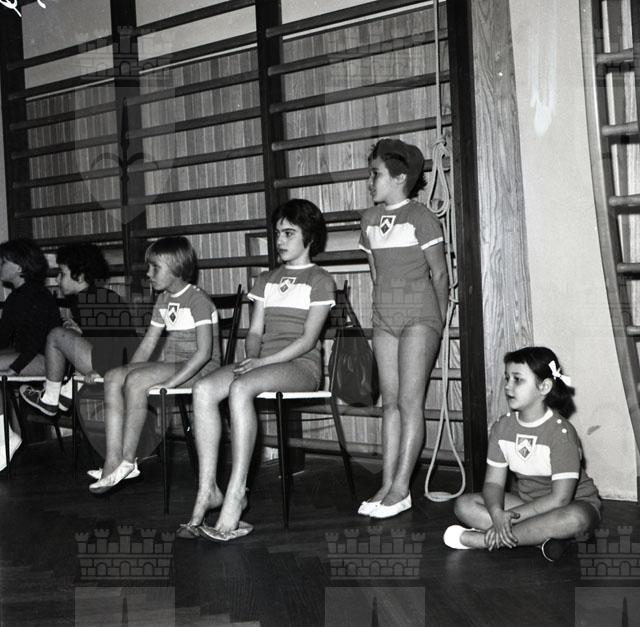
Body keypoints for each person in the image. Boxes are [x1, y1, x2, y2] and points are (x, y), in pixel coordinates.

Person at [179, 198, 335, 541]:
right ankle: (208, 490)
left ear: (309, 236)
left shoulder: (320, 279)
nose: (279, 240)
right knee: (202, 389)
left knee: (240, 388)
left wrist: (260, 364)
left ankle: (237, 494)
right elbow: (254, 332)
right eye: (277, 233)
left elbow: (308, 340)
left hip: (300, 366)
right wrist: (253, 357)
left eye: (288, 233)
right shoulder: (266, 279)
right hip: (262, 363)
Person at [357, 138, 448, 518]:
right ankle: (386, 483)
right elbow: (376, 274)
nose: (370, 181)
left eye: (375, 174)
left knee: (410, 403)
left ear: (399, 178)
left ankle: (401, 489)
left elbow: (440, 274)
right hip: (385, 318)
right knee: (390, 404)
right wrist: (384, 312)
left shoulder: (421, 217)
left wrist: (437, 322)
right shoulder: (368, 221)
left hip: (419, 318)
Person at [88, 236, 220, 493]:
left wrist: (170, 383)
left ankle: (128, 460)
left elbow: (204, 353)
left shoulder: (198, 300)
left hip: (201, 367)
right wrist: (123, 372)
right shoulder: (163, 300)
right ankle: (112, 459)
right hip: (175, 362)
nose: (148, 273)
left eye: (155, 268)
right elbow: (148, 345)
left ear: (177, 268)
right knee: (114, 376)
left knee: (136, 380)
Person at [443, 346, 601, 562]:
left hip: (570, 505)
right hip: (526, 502)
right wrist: (497, 513)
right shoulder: (502, 427)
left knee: (575, 519)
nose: (508, 386)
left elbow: (560, 499)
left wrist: (505, 520)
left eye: (517, 380)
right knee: (464, 505)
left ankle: (484, 540)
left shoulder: (561, 433)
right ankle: (539, 538)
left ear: (544, 386)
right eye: (507, 378)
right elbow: (493, 484)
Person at [20, 242, 131, 417]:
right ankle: (66, 394)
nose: (57, 279)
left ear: (79, 277)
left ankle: (50, 398)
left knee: (56, 335)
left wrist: (101, 369)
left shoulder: (88, 300)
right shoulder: (94, 296)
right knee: (68, 334)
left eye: (62, 273)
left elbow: (111, 339)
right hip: (120, 363)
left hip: (114, 365)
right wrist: (80, 332)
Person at [0, 238, 62, 470]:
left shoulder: (38, 295)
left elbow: (37, 341)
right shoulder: (14, 297)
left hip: (48, 361)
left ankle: (5, 438)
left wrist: (14, 367)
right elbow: (2, 339)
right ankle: (5, 435)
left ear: (19, 267)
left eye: (3, 262)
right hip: (28, 355)